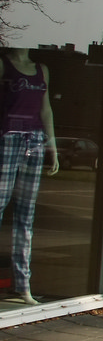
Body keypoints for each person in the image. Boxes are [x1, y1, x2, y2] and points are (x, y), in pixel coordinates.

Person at [0, 47, 58, 305]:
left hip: (34, 141)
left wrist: (52, 146)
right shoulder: (3, 65)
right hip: (8, 137)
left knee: (26, 214)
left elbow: (46, 109)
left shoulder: (41, 70)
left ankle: (23, 285)